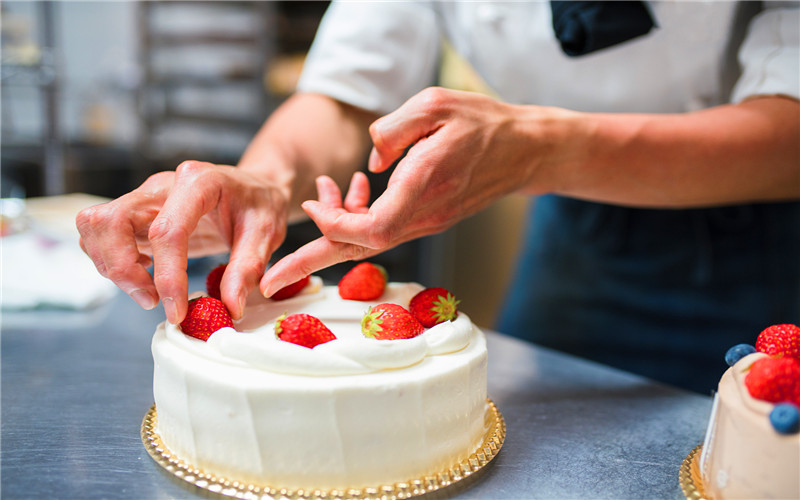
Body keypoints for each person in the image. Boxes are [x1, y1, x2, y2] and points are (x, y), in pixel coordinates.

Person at [77, 2, 799, 393]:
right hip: (580, 232)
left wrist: (544, 149)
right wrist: (266, 177)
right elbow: (349, 96)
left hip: (767, 240)